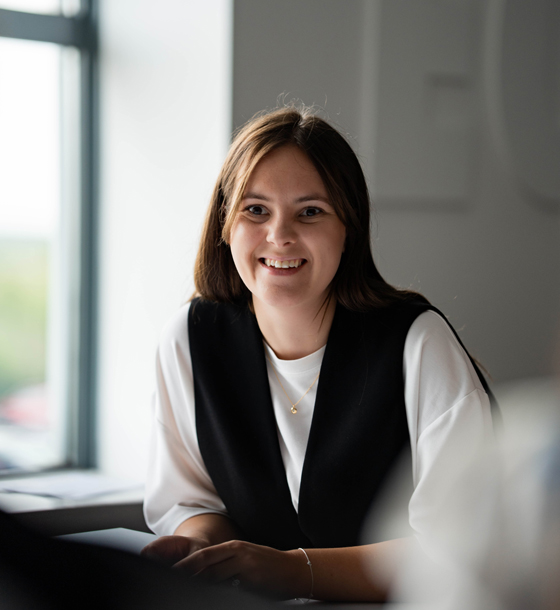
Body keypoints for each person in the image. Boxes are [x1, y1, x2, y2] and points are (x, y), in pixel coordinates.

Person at [141, 105, 495, 602]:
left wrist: (293, 571)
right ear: (225, 224)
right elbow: (188, 498)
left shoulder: (417, 342)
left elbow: (463, 546)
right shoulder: (189, 338)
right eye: (255, 210)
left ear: (347, 229)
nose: (280, 235)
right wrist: (200, 551)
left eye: (310, 211)